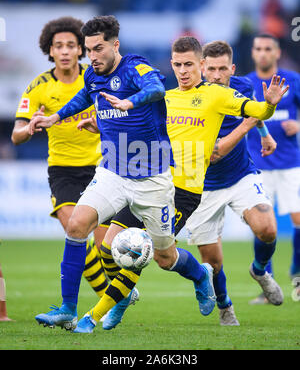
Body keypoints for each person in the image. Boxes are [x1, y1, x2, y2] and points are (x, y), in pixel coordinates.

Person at [72, 35, 288, 333]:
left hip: (184, 193)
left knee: (155, 256)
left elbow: (257, 112)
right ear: (171, 65)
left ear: (201, 64)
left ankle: (95, 315)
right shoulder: (164, 98)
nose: (183, 70)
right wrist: (100, 124)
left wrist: (270, 106)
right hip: (150, 181)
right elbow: (134, 126)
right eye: (177, 65)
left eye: (189, 64)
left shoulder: (217, 95)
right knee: (109, 247)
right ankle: (122, 299)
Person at [28, 16, 217, 332]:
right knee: (77, 225)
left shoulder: (135, 67)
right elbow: (85, 97)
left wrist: (131, 101)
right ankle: (67, 309)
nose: (93, 57)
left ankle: (200, 274)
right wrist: (55, 117)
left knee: (165, 256)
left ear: (115, 45)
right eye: (88, 50)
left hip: (153, 180)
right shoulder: (93, 74)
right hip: (113, 172)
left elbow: (157, 88)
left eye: (98, 48)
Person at [11, 17, 109, 303]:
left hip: (100, 169)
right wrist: (28, 128)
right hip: (62, 170)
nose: (65, 51)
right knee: (74, 231)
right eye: (58, 46)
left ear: (81, 49)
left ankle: (112, 290)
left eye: (71, 45)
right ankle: (109, 297)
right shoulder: (38, 87)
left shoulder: (96, 78)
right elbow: (17, 134)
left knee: (105, 248)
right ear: (49, 51)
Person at [185, 40, 282, 326]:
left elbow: (250, 111)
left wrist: (264, 131)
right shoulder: (189, 98)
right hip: (201, 186)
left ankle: (260, 270)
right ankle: (225, 305)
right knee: (213, 263)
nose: (215, 75)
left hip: (240, 175)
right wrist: (254, 125)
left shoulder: (243, 86)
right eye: (211, 69)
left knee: (267, 229)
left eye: (222, 69)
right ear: (202, 67)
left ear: (232, 69)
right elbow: (214, 153)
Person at [246, 33, 300, 304]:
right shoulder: (246, 84)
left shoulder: (293, 81)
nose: (263, 53)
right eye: (259, 48)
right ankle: (267, 286)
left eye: (268, 48)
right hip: (258, 168)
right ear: (253, 53)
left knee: (299, 220)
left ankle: (298, 276)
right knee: (262, 228)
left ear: (277, 53)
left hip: (291, 164)